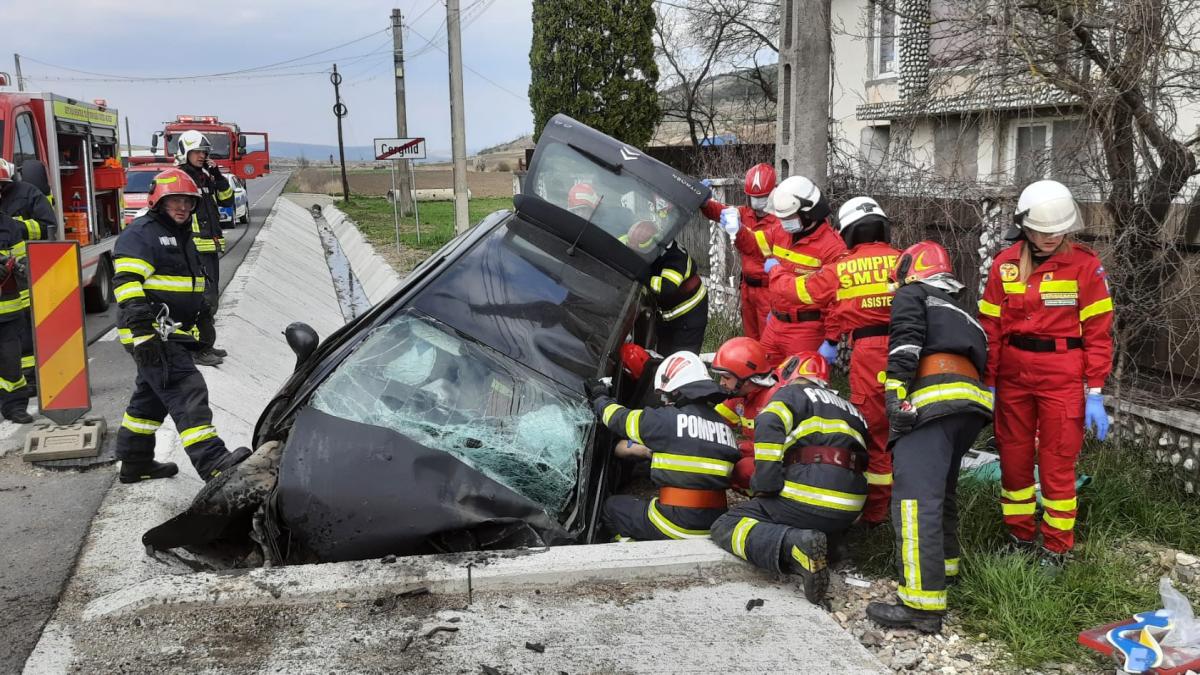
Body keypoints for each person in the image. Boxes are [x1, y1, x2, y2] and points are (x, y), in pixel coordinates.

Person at [978, 180, 1113, 563]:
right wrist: (988, 381)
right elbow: (990, 327)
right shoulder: (1005, 265)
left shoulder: (1084, 266)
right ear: (1025, 226)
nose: (1051, 237)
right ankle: (1019, 538)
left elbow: (1099, 334)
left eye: (1058, 230)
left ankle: (1056, 547)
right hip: (1013, 374)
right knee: (1014, 459)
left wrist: (1096, 392)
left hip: (1062, 373)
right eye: (1042, 230)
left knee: (1057, 462)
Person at [864, 241, 992, 633]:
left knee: (915, 502)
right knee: (942, 495)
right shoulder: (963, 313)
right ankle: (944, 574)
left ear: (910, 271)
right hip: (968, 408)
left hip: (932, 402)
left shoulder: (912, 293)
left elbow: (905, 342)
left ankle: (920, 605)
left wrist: (896, 397)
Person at [769, 196, 901, 524]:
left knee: (874, 431)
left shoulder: (842, 267)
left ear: (849, 232)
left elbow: (797, 292)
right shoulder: (905, 261)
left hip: (870, 356)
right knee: (906, 428)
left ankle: (874, 515)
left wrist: (775, 274)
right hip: (909, 351)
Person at [112, 168, 249, 484]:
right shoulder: (141, 234)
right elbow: (127, 284)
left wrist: (202, 322)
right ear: (158, 201)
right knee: (187, 389)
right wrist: (144, 334)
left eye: (188, 202)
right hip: (153, 335)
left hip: (171, 332)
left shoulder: (183, 235)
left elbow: (189, 283)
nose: (182, 207)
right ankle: (214, 464)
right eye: (175, 200)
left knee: (150, 399)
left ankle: (135, 462)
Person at [709, 352, 869, 604]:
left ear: (789, 376)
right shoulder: (852, 409)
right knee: (811, 511)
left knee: (726, 526)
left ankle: (795, 547)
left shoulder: (791, 394)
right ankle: (833, 545)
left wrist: (767, 485)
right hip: (850, 507)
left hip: (811, 495)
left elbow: (769, 422)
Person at [585, 351, 739, 541]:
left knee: (612, 508)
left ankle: (634, 553)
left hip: (675, 525)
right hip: (713, 524)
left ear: (678, 391)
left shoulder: (666, 420)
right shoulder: (724, 427)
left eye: (667, 396)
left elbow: (618, 418)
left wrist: (600, 397)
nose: (666, 402)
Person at [760, 176, 847, 363]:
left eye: (789, 217)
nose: (784, 223)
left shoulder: (833, 247)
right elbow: (755, 244)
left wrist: (831, 340)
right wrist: (738, 230)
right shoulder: (782, 232)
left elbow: (835, 300)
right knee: (763, 381)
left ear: (808, 214)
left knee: (799, 387)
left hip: (806, 330)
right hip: (774, 323)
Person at [0, 159, 55, 424]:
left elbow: (20, 257)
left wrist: (14, 268)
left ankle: (14, 406)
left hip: (8, 305)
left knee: (13, 360)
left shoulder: (9, 225)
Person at [700, 163, 779, 340]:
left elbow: (757, 247)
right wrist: (705, 202)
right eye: (753, 197)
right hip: (747, 289)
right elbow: (720, 211)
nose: (757, 201)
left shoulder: (780, 221)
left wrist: (739, 229)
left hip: (768, 291)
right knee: (750, 340)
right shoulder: (746, 212)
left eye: (762, 196)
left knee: (768, 343)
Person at [175, 130, 233, 367]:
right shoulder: (181, 177)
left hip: (209, 246)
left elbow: (227, 199)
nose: (201, 156)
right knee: (201, 301)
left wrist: (217, 174)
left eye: (204, 152)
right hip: (193, 248)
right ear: (185, 153)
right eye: (197, 152)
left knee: (211, 299)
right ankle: (198, 350)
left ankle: (205, 345)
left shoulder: (205, 176)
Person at [711, 336, 779, 491]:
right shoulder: (741, 395)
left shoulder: (774, 400)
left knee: (743, 469)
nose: (722, 383)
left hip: (780, 462)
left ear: (747, 380)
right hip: (761, 455)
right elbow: (713, 419)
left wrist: (738, 447)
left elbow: (775, 450)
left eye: (726, 378)